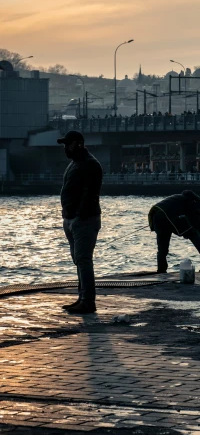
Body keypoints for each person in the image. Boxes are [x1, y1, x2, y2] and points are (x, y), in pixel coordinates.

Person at [58, 130, 103, 314]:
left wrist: (78, 216)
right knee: (79, 260)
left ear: (78, 143)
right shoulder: (75, 164)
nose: (65, 148)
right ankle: (82, 298)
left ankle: (87, 301)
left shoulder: (90, 164)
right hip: (72, 219)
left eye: (67, 144)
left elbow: (90, 193)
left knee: (84, 260)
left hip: (83, 220)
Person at [148, 190, 200, 273]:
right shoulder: (194, 204)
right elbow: (196, 226)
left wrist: (188, 230)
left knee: (163, 246)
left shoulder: (179, 198)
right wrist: (197, 237)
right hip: (169, 214)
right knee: (194, 235)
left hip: (156, 214)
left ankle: (161, 269)